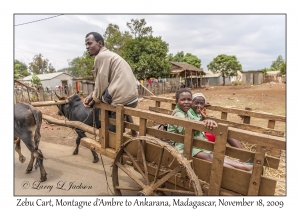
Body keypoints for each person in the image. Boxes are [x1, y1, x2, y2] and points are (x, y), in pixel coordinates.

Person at [167, 88, 252, 171]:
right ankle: (240, 170)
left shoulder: (187, 112)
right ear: (176, 101)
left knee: (215, 155)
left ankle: (242, 166)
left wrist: (204, 120)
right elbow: (185, 130)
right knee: (209, 157)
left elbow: (196, 120)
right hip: (182, 145)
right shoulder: (178, 114)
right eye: (183, 100)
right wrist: (203, 121)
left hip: (192, 141)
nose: (186, 102)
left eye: (189, 100)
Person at [83, 32, 138, 136]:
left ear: (100, 43)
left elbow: (101, 84)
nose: (87, 47)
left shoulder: (100, 57)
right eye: (86, 44)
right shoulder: (109, 55)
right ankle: (134, 132)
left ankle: (107, 136)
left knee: (99, 104)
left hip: (121, 98)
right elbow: (103, 84)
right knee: (98, 97)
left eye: (89, 43)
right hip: (133, 98)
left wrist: (93, 101)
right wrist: (92, 95)